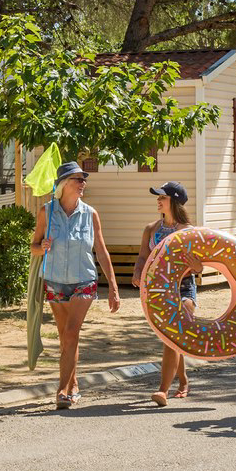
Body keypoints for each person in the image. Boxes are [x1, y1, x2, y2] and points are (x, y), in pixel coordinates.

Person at [30, 161, 120, 409]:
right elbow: (34, 247)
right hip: (55, 281)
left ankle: (61, 391)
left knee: (71, 333)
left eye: (83, 179)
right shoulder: (45, 213)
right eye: (78, 179)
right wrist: (42, 247)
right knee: (66, 338)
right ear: (63, 184)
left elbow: (101, 251)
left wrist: (112, 286)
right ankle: (75, 384)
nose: (83, 184)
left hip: (84, 281)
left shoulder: (90, 214)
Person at [133, 181, 201, 407]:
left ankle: (162, 390)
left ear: (174, 201)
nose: (158, 200)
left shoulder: (189, 232)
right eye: (158, 197)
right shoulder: (150, 229)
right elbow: (143, 256)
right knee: (171, 337)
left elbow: (202, 265)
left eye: (162, 197)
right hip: (159, 290)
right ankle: (182, 380)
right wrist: (137, 272)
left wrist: (198, 267)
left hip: (184, 288)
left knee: (172, 337)